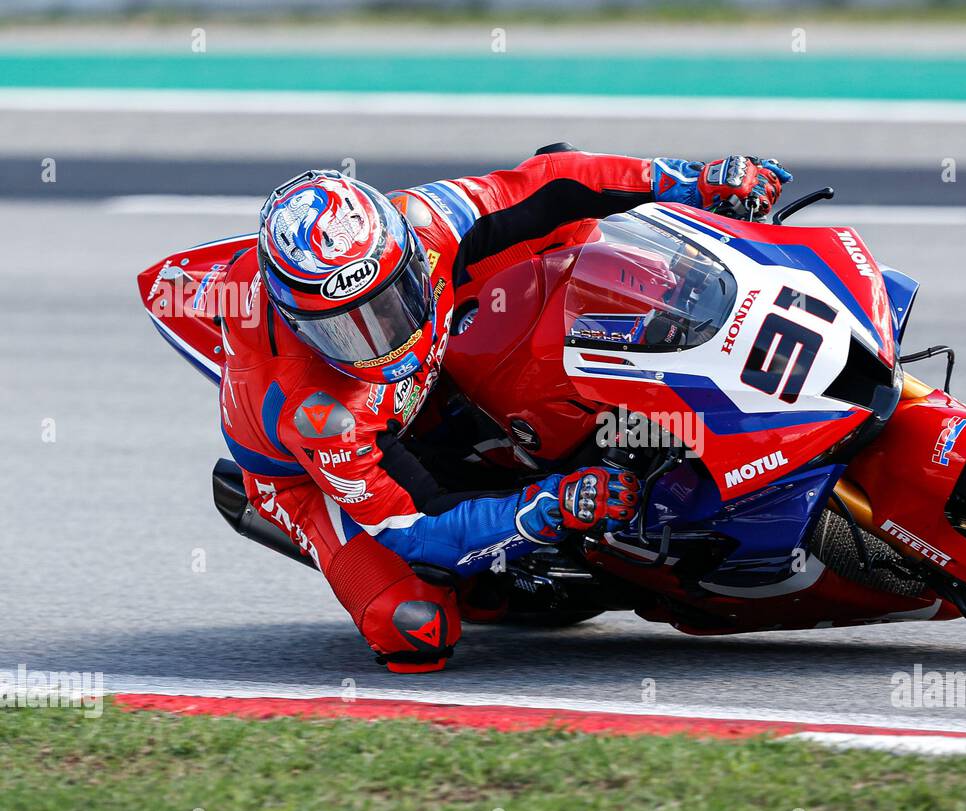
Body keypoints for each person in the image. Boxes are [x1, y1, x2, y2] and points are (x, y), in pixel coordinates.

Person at [218, 149, 791, 672]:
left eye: (391, 300)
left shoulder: (425, 220)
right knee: (413, 630)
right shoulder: (315, 412)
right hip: (312, 478)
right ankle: (490, 576)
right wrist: (554, 505)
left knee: (574, 234)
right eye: (346, 328)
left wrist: (690, 181)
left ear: (407, 255)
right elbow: (415, 527)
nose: (382, 335)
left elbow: (549, 182)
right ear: (299, 324)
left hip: (431, 372)